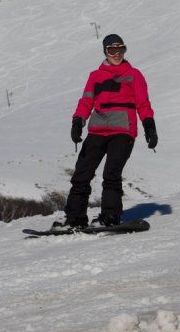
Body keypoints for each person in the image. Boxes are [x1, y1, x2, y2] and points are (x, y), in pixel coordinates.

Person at [53, 34, 158, 230]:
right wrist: (78, 121)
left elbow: (143, 103)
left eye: (121, 50)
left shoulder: (134, 75)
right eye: (112, 50)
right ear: (105, 51)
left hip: (123, 130)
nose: (116, 54)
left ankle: (110, 216)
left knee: (111, 173)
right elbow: (86, 101)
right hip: (98, 129)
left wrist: (149, 125)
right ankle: (74, 218)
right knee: (81, 174)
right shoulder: (95, 76)